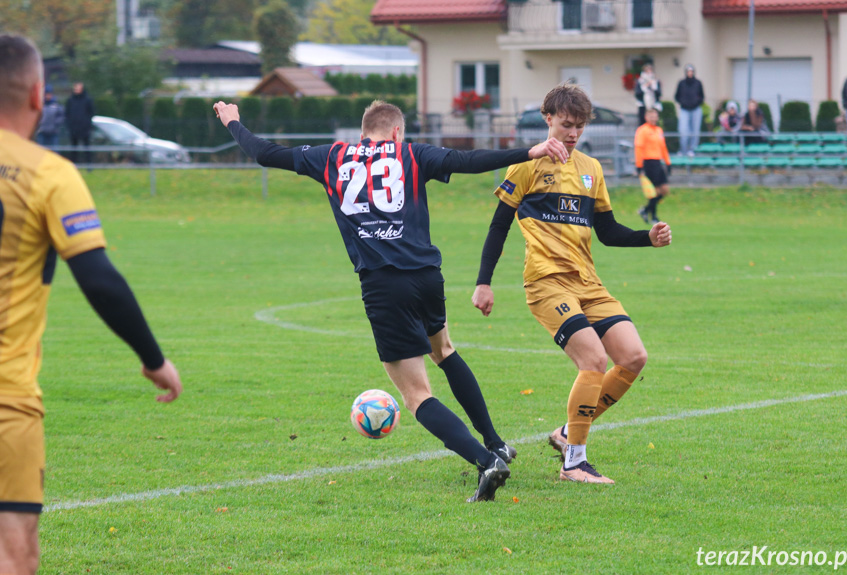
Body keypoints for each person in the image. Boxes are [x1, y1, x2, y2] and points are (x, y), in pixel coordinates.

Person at [212, 98, 569, 502]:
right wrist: (530, 150)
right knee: (445, 350)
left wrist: (233, 122)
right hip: (427, 276)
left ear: (363, 131)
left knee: (416, 396)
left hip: (384, 285)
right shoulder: (411, 154)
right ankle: (495, 442)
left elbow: (264, 154)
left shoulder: (332, 157)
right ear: (397, 131)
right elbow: (467, 160)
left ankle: (487, 461)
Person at [0, 34, 183, 575]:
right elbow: (99, 280)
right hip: (5, 398)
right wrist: (153, 360)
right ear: (38, 95)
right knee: (14, 554)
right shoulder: (48, 173)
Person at [471, 83, 672, 485]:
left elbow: (608, 231)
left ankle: (566, 434)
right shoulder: (526, 165)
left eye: (580, 126)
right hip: (547, 283)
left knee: (633, 357)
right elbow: (498, 226)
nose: (573, 133)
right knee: (594, 361)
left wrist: (645, 237)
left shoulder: (591, 169)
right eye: (566, 124)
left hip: (588, 283)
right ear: (548, 119)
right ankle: (574, 462)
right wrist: (483, 283)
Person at [635, 108, 672, 224]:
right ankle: (654, 216)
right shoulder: (642, 130)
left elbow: (663, 148)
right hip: (648, 163)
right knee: (655, 191)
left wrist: (668, 162)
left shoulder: (659, 130)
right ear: (646, 117)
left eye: (654, 116)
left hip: (658, 162)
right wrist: (639, 165)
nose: (653, 118)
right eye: (650, 116)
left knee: (665, 190)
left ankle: (645, 210)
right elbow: (638, 148)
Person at [674, 65, 704, 156]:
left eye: (691, 71)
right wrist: (683, 102)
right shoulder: (681, 83)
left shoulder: (698, 83)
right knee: (683, 130)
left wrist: (696, 102)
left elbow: (702, 96)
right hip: (684, 110)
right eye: (688, 71)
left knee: (695, 131)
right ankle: (683, 150)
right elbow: (677, 96)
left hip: (695, 109)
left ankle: (692, 149)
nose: (690, 73)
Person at [65, 81, 94, 163]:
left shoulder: (87, 100)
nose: (76, 89)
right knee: (74, 149)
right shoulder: (70, 100)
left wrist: (87, 124)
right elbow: (67, 113)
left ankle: (89, 165)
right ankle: (74, 165)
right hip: (74, 129)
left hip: (84, 129)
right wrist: (70, 125)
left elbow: (91, 113)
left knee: (87, 148)